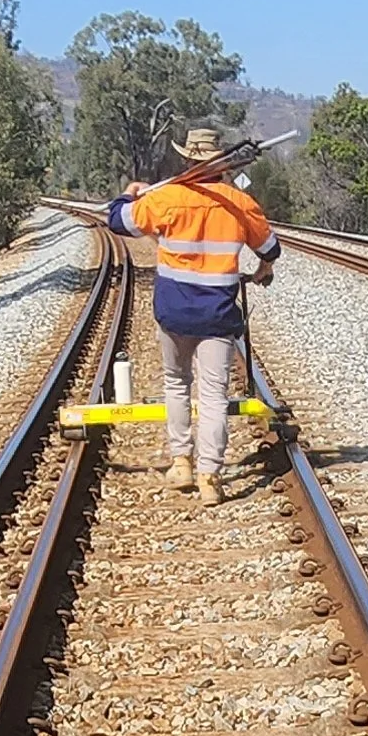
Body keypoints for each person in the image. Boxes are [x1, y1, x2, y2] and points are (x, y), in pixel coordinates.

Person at [107, 127, 279, 500]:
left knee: (176, 383)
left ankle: (181, 462)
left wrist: (129, 194)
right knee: (214, 395)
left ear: (187, 158)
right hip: (217, 315)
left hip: (174, 312)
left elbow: (118, 221)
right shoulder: (239, 203)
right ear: (224, 164)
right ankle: (210, 479)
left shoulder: (165, 198)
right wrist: (264, 266)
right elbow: (270, 246)